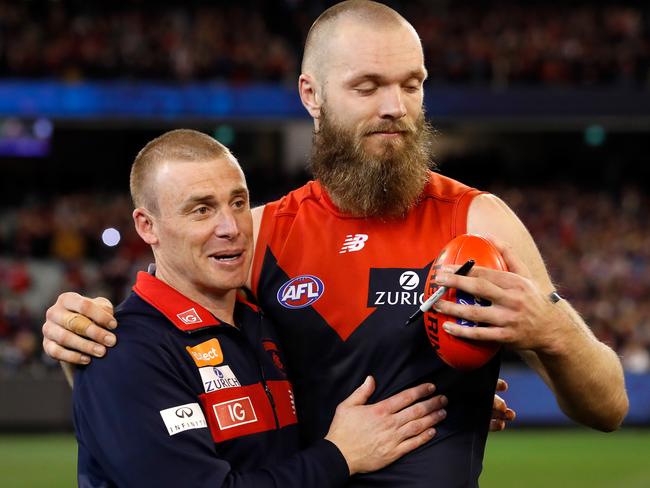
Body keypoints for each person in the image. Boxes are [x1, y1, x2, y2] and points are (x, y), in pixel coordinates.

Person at [43, 1, 628, 486]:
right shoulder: (262, 231)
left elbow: (608, 409)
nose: (394, 108)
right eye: (368, 86)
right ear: (311, 94)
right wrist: (82, 333)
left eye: (411, 85)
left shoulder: (478, 222)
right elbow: (154, 345)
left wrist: (552, 331)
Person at [73, 128, 448, 487]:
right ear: (147, 226)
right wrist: (340, 456)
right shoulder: (123, 350)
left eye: (238, 202)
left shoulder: (264, 320)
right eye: (202, 210)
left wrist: (462, 390)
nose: (231, 227)